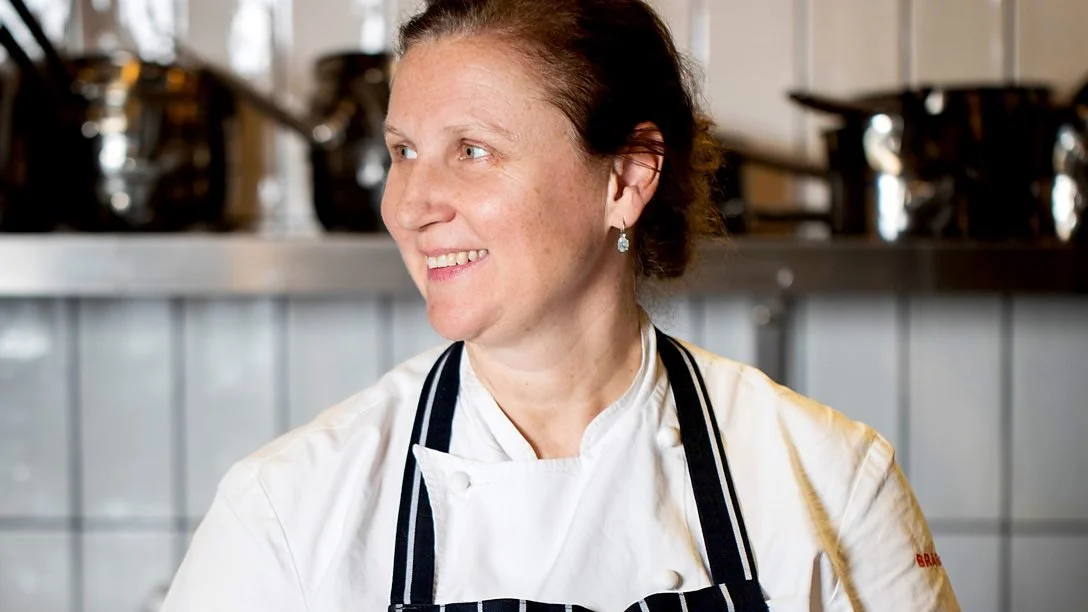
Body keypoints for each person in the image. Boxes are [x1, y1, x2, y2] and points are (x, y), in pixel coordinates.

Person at [160, 0, 960, 610]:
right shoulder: (290, 508)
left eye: (471, 151)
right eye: (404, 152)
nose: (409, 205)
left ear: (626, 179)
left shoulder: (831, 481)